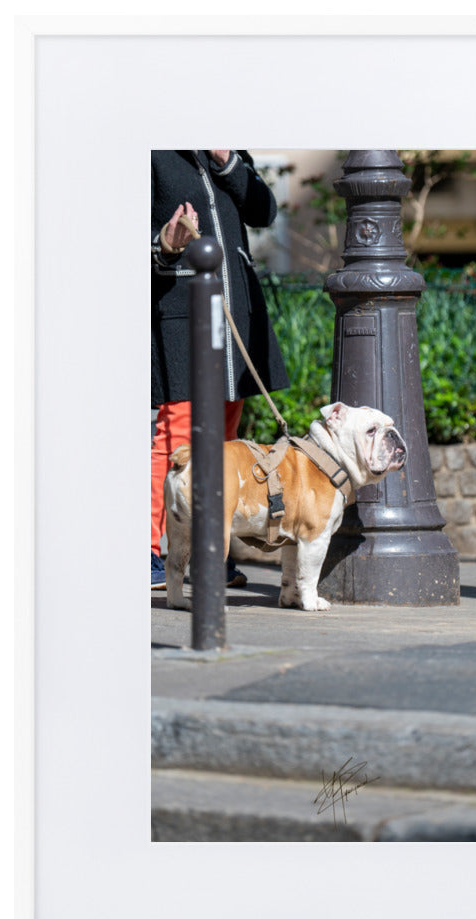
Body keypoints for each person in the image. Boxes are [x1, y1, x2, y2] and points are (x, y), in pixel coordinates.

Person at [150, 150, 289, 589]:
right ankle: (147, 553)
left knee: (225, 443)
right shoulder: (152, 155)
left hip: (236, 321)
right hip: (181, 315)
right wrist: (165, 244)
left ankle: (211, 553)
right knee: (177, 435)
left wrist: (227, 160)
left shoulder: (227, 153)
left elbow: (264, 210)